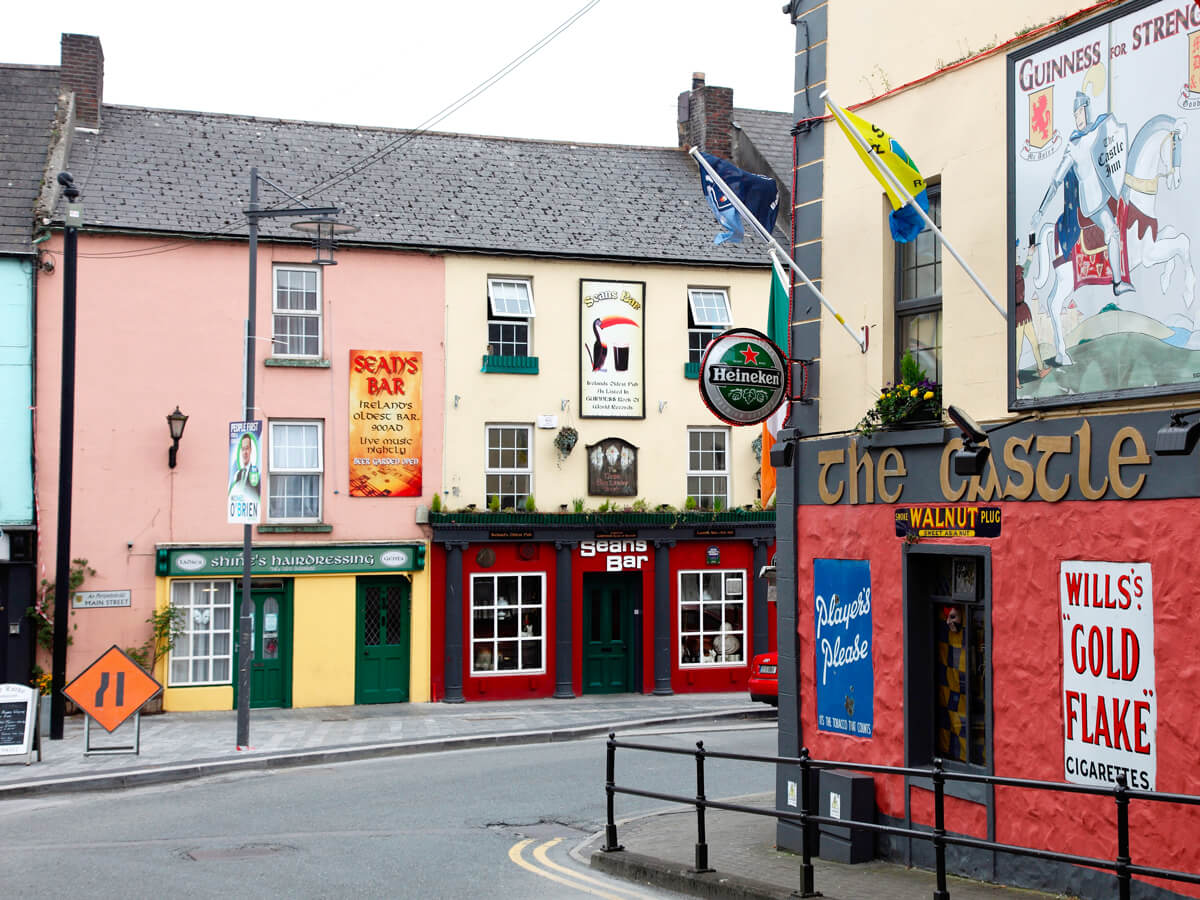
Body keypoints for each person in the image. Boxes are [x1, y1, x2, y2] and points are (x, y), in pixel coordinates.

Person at [1030, 76, 1133, 296]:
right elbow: (1056, 180)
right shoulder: (1073, 145)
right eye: (1074, 114)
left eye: (1079, 112)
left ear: (1087, 110)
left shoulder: (1100, 127)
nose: (1077, 118)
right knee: (1112, 230)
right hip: (1093, 201)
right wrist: (1040, 210)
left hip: (1108, 189)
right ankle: (1117, 283)